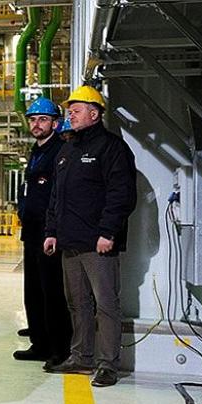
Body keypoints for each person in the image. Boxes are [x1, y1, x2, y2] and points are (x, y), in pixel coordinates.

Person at [44, 85, 137, 388]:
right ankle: (81, 357)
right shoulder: (67, 150)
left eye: (76, 110)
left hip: (98, 244)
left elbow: (121, 194)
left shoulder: (112, 148)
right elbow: (56, 197)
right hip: (69, 243)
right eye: (69, 111)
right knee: (78, 304)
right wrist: (51, 231)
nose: (70, 115)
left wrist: (108, 232)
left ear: (94, 114)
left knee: (106, 304)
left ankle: (108, 364)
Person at [13, 97, 71, 368]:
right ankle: (39, 343)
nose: (37, 124)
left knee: (52, 292)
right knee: (33, 290)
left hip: (49, 232)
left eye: (43, 119)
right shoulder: (37, 152)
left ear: (55, 123)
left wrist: (54, 230)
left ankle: (58, 349)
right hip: (32, 230)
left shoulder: (60, 152)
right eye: (33, 119)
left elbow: (59, 196)